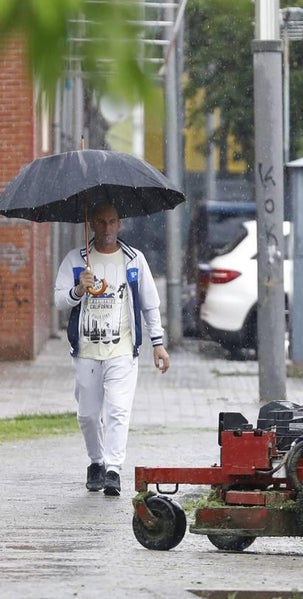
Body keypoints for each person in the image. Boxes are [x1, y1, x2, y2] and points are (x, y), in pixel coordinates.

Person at [54, 201, 171, 496]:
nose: (107, 229)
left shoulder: (134, 260)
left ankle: (113, 470)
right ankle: (96, 460)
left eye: (112, 222)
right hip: (86, 351)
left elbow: (150, 303)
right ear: (91, 224)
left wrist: (158, 343)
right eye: (101, 222)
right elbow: (59, 301)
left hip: (122, 349)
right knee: (88, 415)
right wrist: (79, 288)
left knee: (119, 410)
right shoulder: (76, 259)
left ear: (120, 224)